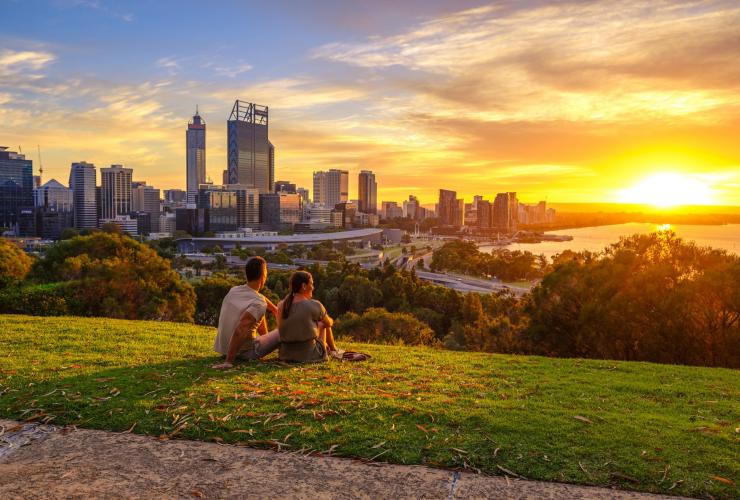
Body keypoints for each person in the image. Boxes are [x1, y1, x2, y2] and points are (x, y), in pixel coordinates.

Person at [211, 256, 279, 369]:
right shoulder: (258, 303)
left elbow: (259, 297)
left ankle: (265, 337)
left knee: (256, 311)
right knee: (282, 332)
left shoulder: (234, 290)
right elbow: (240, 329)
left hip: (223, 349)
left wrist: (274, 309)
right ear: (264, 276)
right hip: (244, 353)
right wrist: (228, 362)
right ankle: (291, 356)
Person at [277, 270, 339, 363]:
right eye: (312, 284)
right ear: (304, 286)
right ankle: (334, 350)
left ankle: (332, 349)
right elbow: (329, 323)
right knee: (323, 324)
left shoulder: (281, 305)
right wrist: (320, 320)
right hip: (308, 356)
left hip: (285, 355)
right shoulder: (314, 305)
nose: (313, 287)